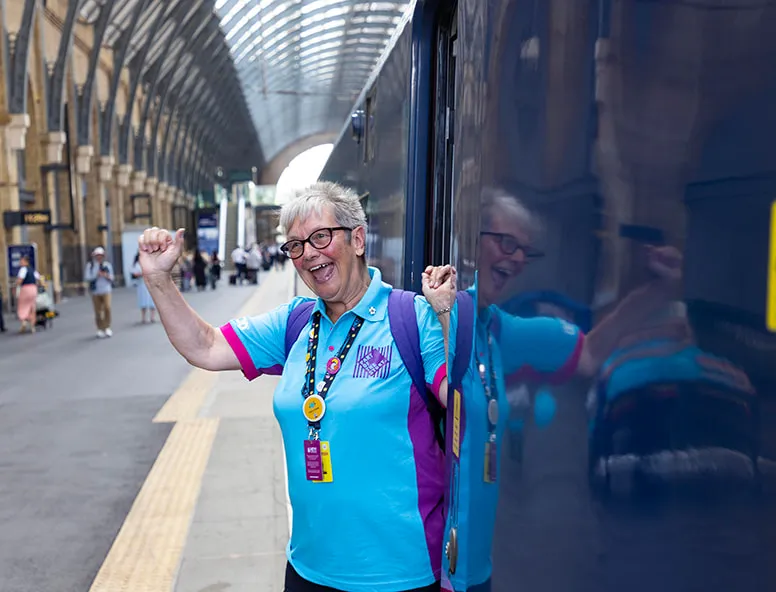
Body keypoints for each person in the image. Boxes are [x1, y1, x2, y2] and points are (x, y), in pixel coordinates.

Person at [138, 181, 456, 592]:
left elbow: (460, 401)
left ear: (357, 239)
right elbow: (205, 347)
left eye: (321, 237)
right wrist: (159, 280)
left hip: (401, 574)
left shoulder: (412, 317)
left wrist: (446, 315)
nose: (309, 254)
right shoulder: (295, 322)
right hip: (308, 570)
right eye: (295, 246)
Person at [441, 188, 683, 592]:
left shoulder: (498, 328)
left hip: (477, 570)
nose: (517, 259)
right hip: (432, 568)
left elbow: (588, 352)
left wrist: (656, 292)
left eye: (524, 251)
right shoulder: (434, 321)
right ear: (469, 240)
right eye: (506, 243)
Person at [84, 246, 115, 338]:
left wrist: (106, 275)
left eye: (100, 255)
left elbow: (112, 277)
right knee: (98, 311)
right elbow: (87, 277)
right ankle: (100, 328)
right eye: (97, 255)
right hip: (96, 291)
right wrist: (96, 275)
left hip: (106, 289)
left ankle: (107, 327)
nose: (99, 257)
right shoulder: (91, 266)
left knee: (107, 307)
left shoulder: (107, 265)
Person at [15, 255, 42, 334]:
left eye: (21, 261)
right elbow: (39, 279)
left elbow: (20, 280)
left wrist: (16, 284)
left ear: (25, 261)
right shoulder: (33, 270)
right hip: (33, 289)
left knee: (22, 306)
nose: (20, 262)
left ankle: (23, 321)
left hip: (25, 289)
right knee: (32, 307)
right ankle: (32, 326)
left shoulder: (23, 269)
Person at [131, 252, 156, 324]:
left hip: (150, 284)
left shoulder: (149, 262)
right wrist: (141, 274)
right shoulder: (136, 265)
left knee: (152, 300)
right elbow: (134, 274)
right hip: (141, 284)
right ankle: (143, 317)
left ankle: (152, 317)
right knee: (143, 301)